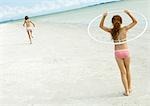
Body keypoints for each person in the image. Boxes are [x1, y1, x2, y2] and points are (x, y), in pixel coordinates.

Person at [99, 10, 137, 96]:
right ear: (121, 21)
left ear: (112, 23)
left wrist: (104, 16)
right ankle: (130, 88)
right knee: (128, 70)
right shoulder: (125, 29)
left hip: (118, 53)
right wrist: (129, 13)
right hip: (126, 51)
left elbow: (100, 26)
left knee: (122, 73)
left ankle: (126, 91)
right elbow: (135, 22)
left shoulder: (111, 31)